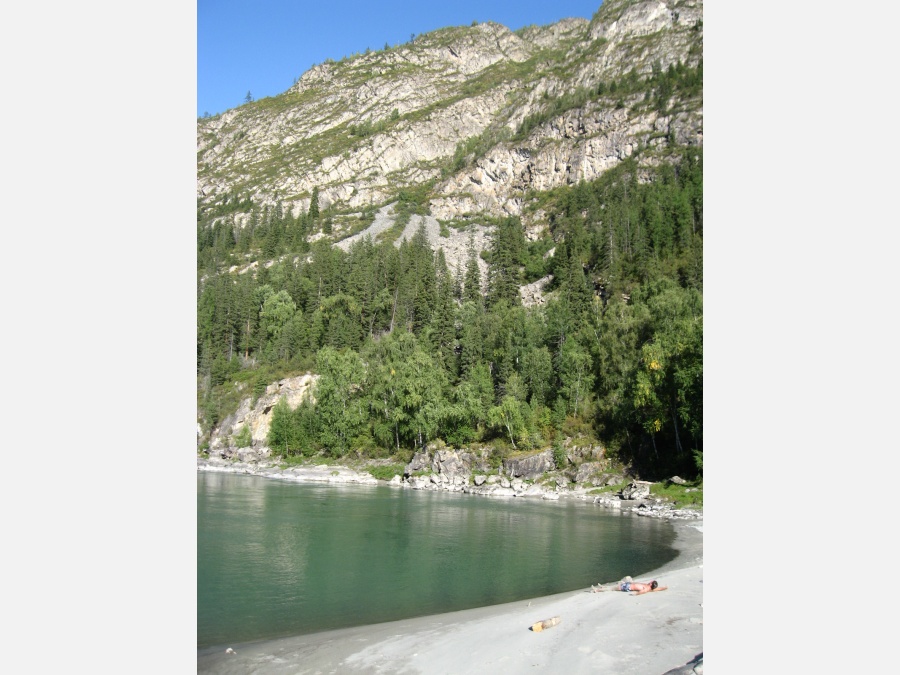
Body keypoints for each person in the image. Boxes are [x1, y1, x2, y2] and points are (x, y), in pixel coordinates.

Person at [591, 576, 667, 595]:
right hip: (630, 584)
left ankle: (597, 590)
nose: (650, 581)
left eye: (651, 581)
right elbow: (658, 589)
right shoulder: (650, 587)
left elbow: (643, 591)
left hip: (627, 587)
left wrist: (636, 594)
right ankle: (602, 587)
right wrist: (665, 588)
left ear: (651, 584)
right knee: (628, 577)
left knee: (612, 588)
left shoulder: (647, 588)